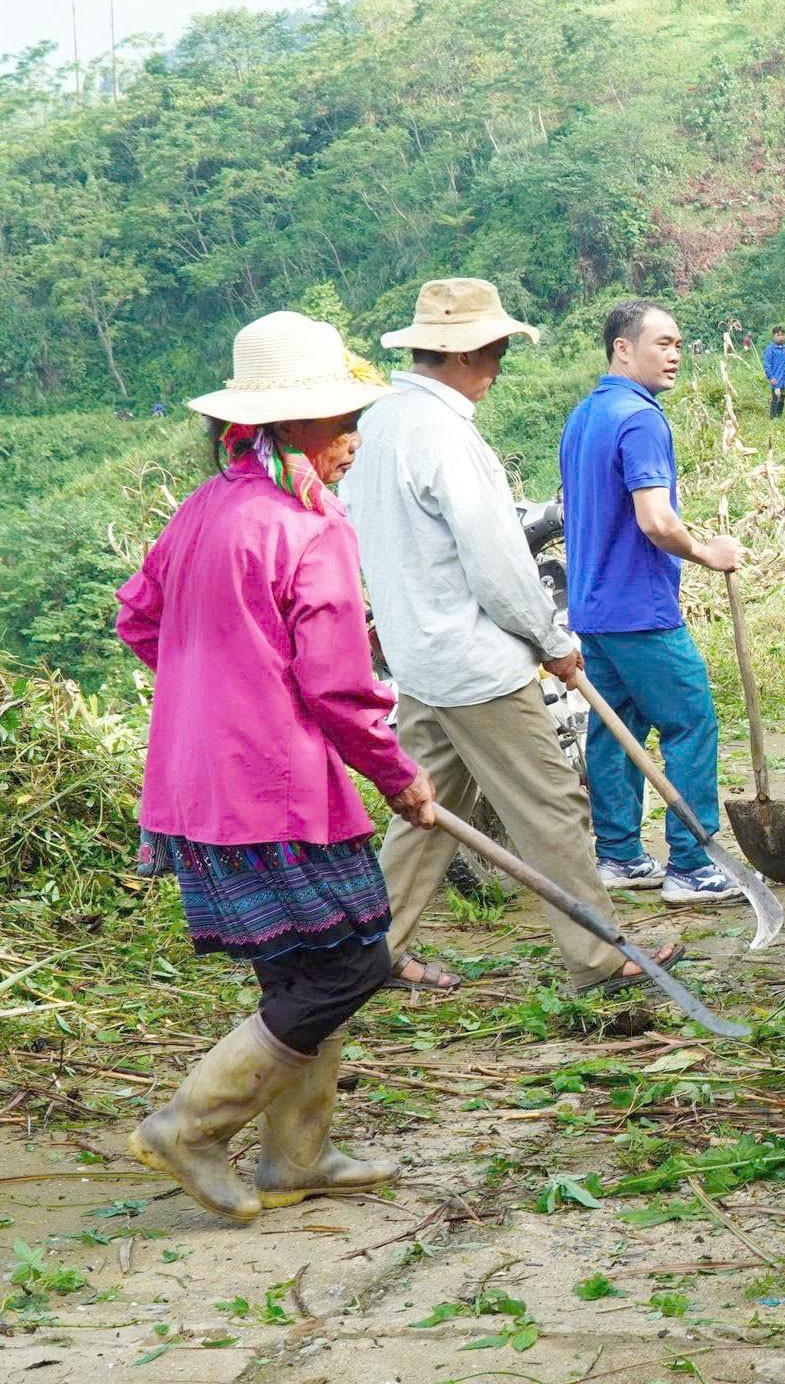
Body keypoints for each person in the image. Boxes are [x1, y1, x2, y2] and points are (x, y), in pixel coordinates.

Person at [116, 310, 436, 1222]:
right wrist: (399, 774)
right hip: (275, 792)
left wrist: (214, 687)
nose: (352, 442)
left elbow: (139, 619)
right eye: (341, 424)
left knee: (304, 968)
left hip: (195, 785)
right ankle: (188, 1126)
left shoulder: (203, 510)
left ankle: (295, 1156)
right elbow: (338, 689)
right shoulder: (309, 528)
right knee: (353, 966)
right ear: (287, 428)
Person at [345, 278, 681, 995]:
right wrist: (548, 639)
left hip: (419, 656)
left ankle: (370, 953)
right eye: (495, 349)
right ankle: (596, 957)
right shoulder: (446, 437)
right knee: (552, 802)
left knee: (426, 807)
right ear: (467, 353)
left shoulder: (377, 423)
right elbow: (497, 565)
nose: (499, 364)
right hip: (475, 665)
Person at [558, 301, 745, 903]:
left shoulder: (585, 416)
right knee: (689, 722)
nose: (673, 355)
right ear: (622, 347)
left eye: (679, 345)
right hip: (640, 610)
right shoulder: (640, 418)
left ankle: (619, 855)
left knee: (618, 731)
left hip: (591, 608)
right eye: (662, 343)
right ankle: (692, 863)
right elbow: (657, 520)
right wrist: (706, 551)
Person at [763, 325, 785, 419]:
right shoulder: (770, 349)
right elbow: (767, 365)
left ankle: (779, 417)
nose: (780, 337)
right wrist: (771, 377)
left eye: (782, 335)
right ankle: (773, 418)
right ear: (774, 336)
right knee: (776, 399)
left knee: (782, 399)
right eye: (778, 335)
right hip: (776, 380)